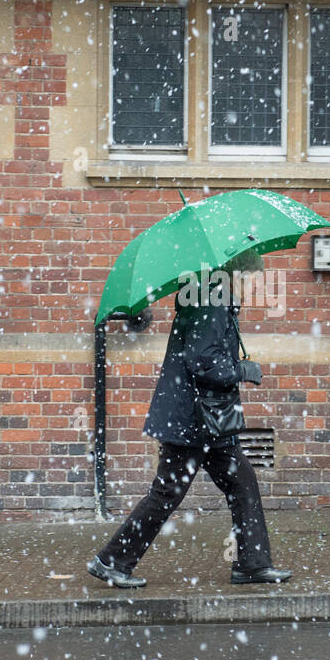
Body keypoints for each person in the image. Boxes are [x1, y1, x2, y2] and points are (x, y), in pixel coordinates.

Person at [88, 250, 291, 589]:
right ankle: (112, 561)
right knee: (167, 493)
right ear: (236, 274)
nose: (253, 285)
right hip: (193, 420)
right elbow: (204, 362)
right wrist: (243, 370)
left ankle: (253, 564)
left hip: (207, 421)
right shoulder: (210, 301)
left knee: (242, 483)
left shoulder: (210, 295)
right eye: (251, 278)